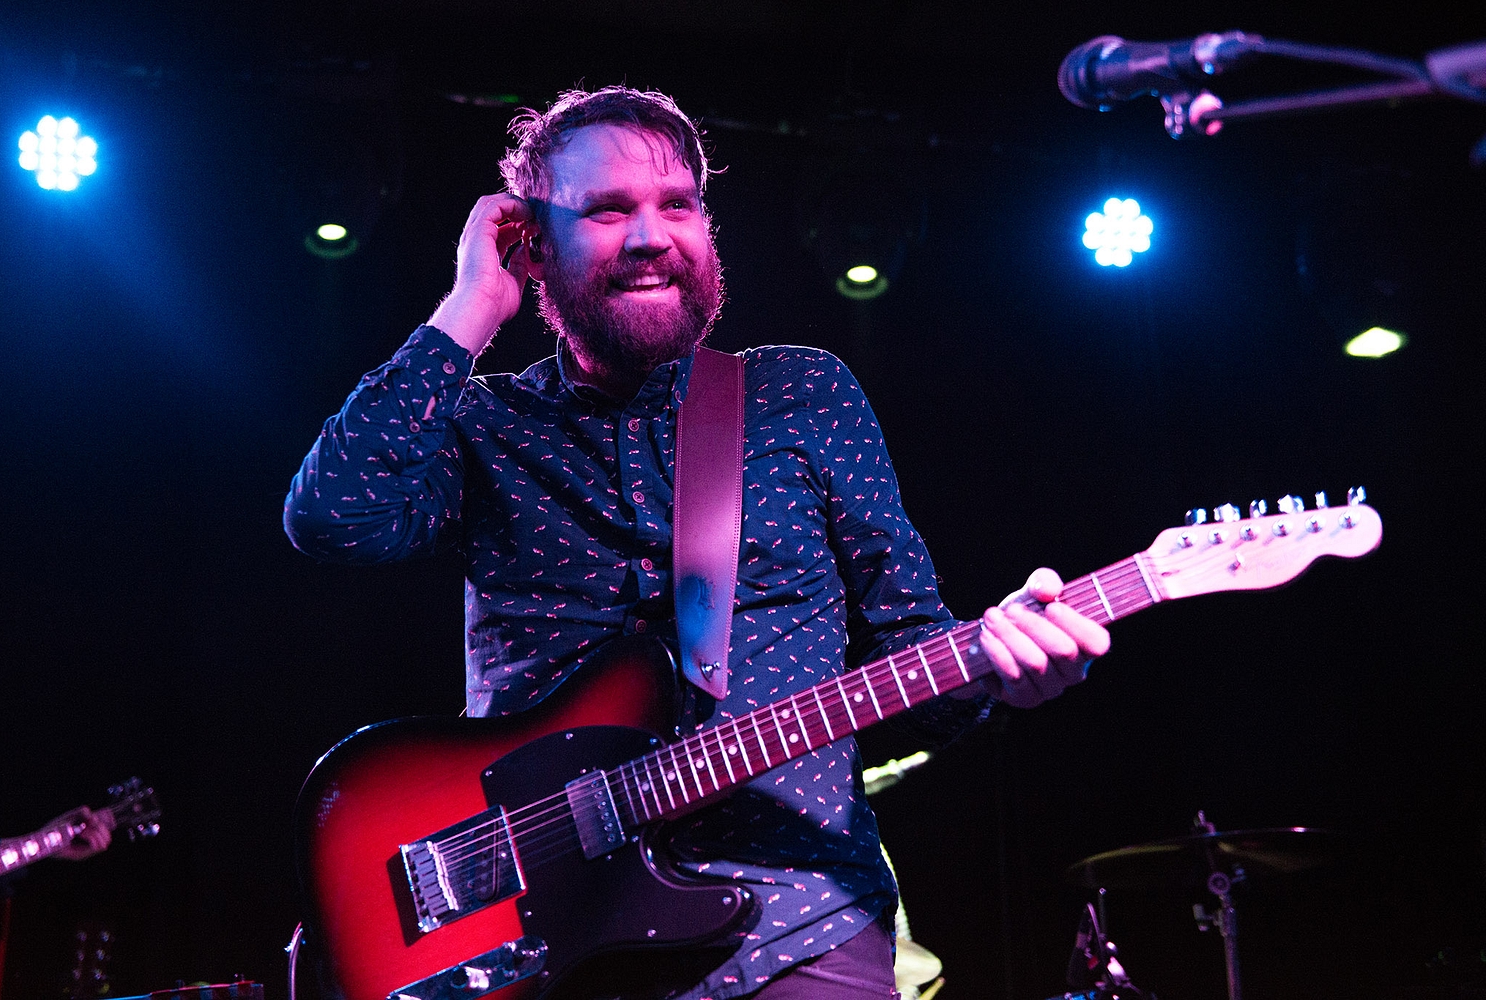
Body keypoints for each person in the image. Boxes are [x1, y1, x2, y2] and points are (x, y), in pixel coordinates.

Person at [284, 86, 1109, 1000]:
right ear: (533, 245)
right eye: (606, 210)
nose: (651, 235)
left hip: (797, 922)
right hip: (541, 943)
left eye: (677, 204)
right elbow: (334, 516)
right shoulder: (489, 426)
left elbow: (912, 658)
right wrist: (472, 307)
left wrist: (998, 667)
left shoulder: (801, 396)